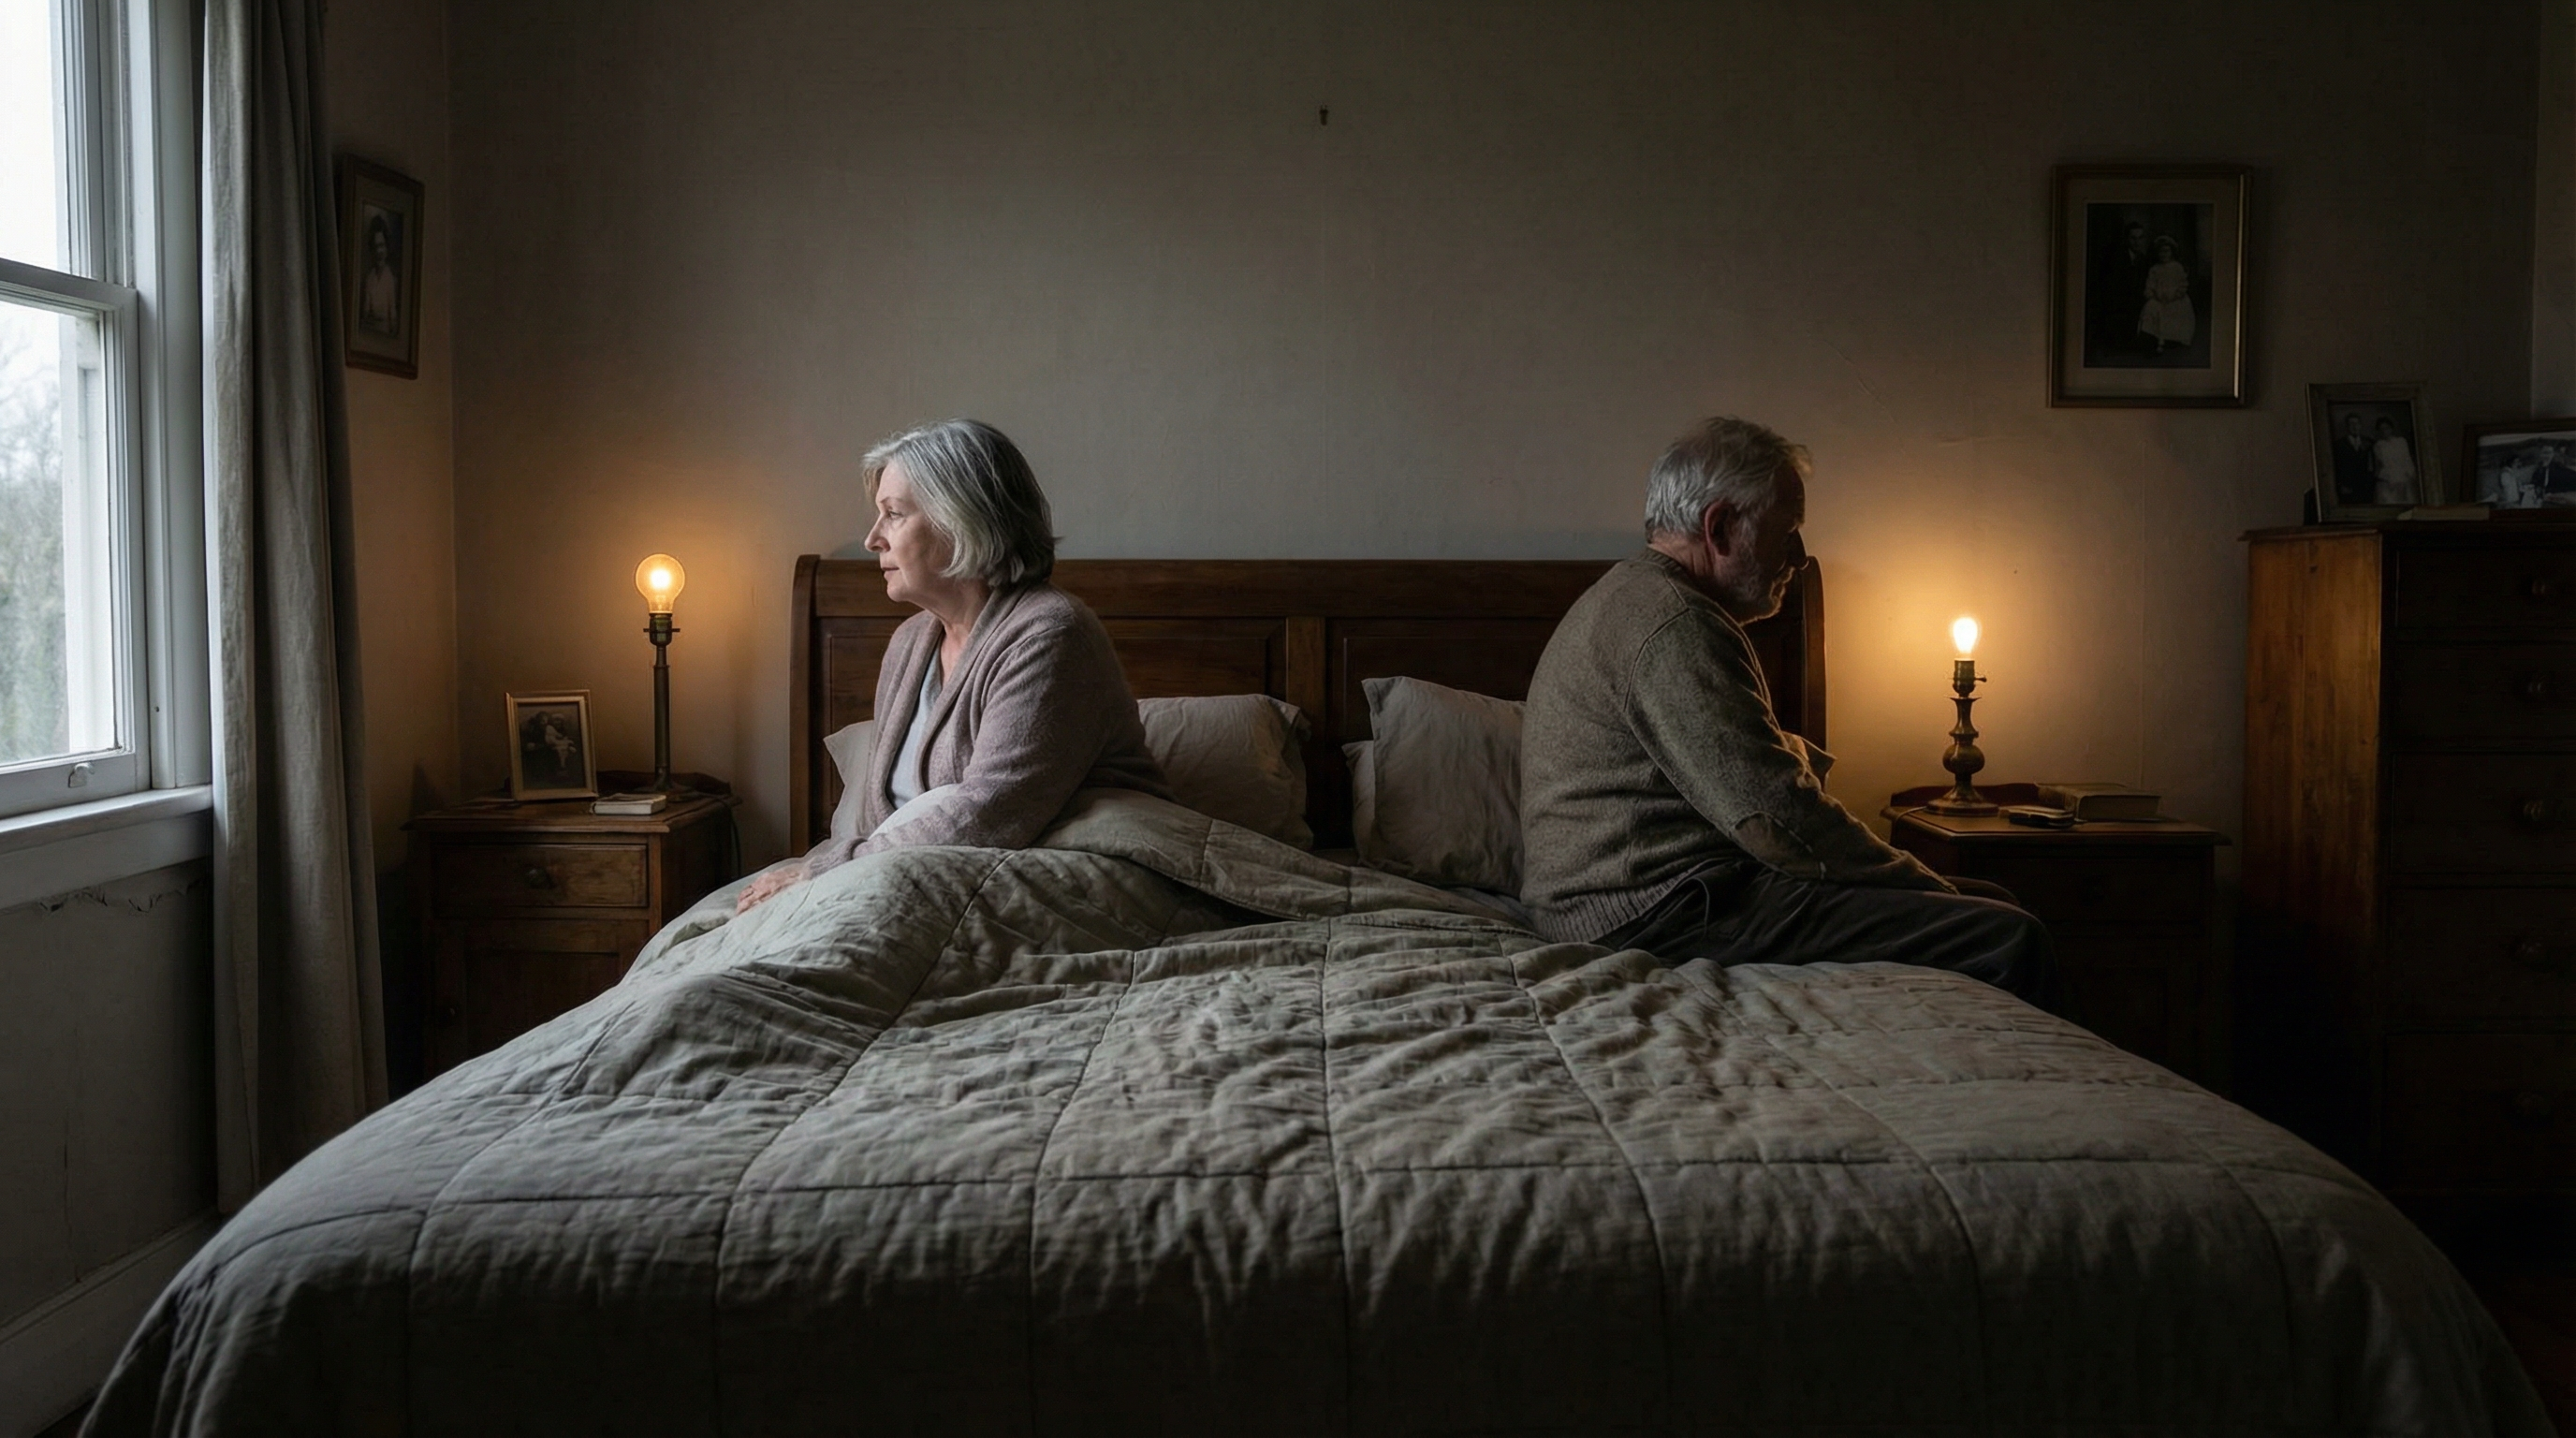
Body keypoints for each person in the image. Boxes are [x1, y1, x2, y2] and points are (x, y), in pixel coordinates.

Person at [1517, 416, 2054, 1005]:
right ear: (1718, 528)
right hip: (1651, 912)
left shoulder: (1635, 598)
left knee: (1988, 898)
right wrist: (1917, 878)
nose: (1798, 557)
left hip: (1629, 901)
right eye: (1786, 532)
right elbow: (1775, 820)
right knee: (2008, 935)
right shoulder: (1675, 625)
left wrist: (1933, 888)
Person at [736, 418, 1170, 912]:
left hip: (1062, 880)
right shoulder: (908, 643)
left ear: (961, 520)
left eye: (893, 514)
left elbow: (993, 812)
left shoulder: (1049, 634)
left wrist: (824, 872)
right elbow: (885, 819)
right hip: (915, 877)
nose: (872, 539)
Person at [2135, 236, 2195, 355]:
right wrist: (2152, 294)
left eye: (2167, 251)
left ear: (2172, 252)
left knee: (2178, 309)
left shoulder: (2177, 267)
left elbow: (2183, 284)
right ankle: (2155, 338)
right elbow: (2150, 285)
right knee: (2151, 307)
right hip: (2159, 298)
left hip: (2175, 298)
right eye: (2161, 252)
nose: (2164, 255)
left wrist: (2177, 294)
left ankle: (2175, 339)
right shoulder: (2155, 269)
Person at [359, 216, 400, 336]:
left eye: (382, 246)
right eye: (376, 247)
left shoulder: (391, 279)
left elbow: (393, 319)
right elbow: (365, 314)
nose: (379, 251)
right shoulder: (369, 279)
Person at [2370, 417, 2417, 506]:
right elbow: (2381, 464)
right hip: (2388, 481)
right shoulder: (2378, 445)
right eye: (2381, 429)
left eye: (2386, 428)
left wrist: (2410, 476)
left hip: (2403, 479)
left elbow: (2407, 460)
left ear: (2391, 428)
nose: (2384, 431)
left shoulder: (2401, 441)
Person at [2332, 413, 2377, 506]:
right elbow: (2336, 467)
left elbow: (2373, 465)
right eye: (2351, 424)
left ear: (2360, 425)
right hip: (2348, 488)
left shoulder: (2369, 442)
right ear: (2347, 427)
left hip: (2366, 487)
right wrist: (2341, 485)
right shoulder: (2338, 445)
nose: (2354, 427)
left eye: (2357, 424)